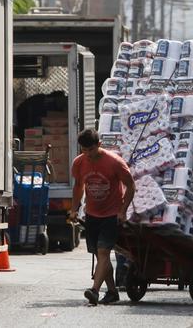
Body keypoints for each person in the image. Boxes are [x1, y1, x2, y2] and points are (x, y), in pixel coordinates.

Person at [70, 128, 135, 305]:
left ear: (99, 145)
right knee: (101, 257)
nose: (88, 154)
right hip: (92, 214)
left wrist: (122, 210)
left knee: (104, 251)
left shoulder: (114, 162)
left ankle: (95, 291)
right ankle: (113, 292)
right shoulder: (79, 163)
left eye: (91, 150)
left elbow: (130, 186)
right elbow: (78, 187)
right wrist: (74, 209)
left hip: (111, 214)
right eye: (84, 151)